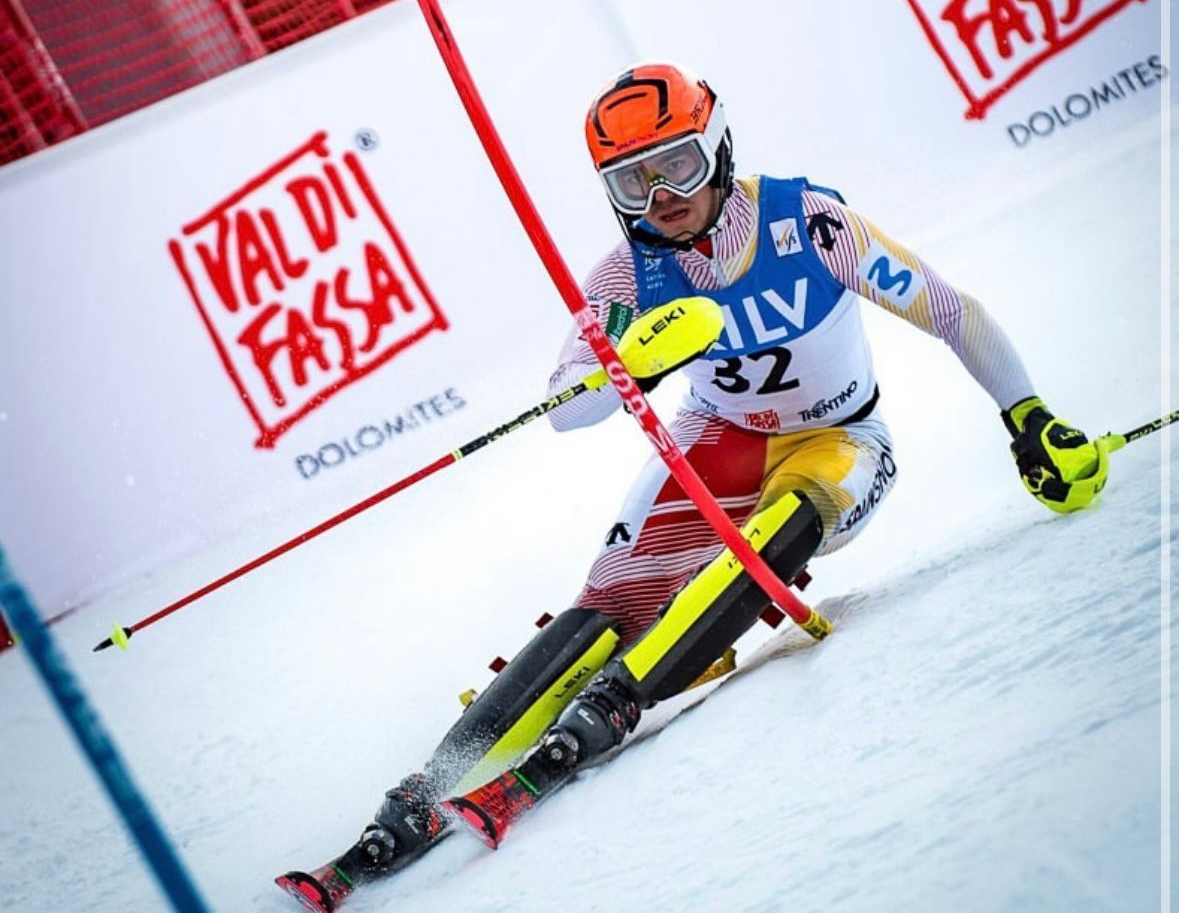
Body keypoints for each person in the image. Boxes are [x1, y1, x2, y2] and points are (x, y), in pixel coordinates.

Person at [277, 63, 1110, 910]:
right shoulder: (623, 277)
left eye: (676, 164)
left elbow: (949, 311)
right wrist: (625, 364)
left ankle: (614, 704)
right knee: (606, 606)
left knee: (781, 528)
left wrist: (1028, 417)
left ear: (715, 147)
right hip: (713, 446)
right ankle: (433, 781)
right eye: (630, 181)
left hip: (839, 438)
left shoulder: (809, 226)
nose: (660, 196)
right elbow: (569, 406)